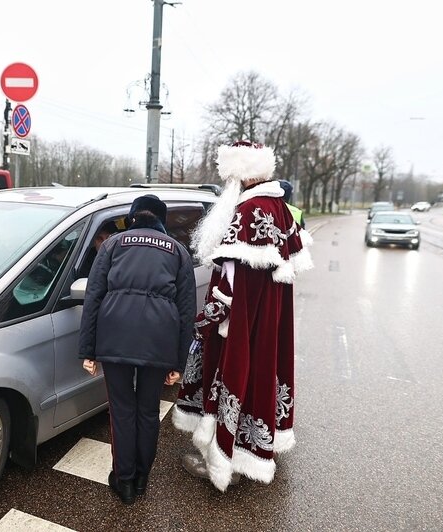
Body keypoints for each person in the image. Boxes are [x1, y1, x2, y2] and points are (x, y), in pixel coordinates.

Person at [173, 140, 313, 491]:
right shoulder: (280, 208)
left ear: (239, 177)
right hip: (268, 322)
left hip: (238, 326)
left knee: (234, 379)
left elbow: (230, 287)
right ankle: (249, 453)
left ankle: (223, 462)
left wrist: (204, 320)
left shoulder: (248, 211)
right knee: (260, 379)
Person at [78, 194, 196, 505]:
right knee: (147, 411)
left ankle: (124, 481)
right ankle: (143, 477)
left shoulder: (114, 245)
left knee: (121, 411)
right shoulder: (179, 252)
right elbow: (187, 312)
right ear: (161, 219)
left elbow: (93, 298)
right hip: (159, 344)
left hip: (114, 337)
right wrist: (179, 362)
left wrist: (87, 349)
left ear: (132, 217)